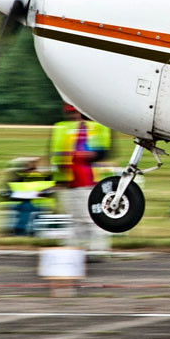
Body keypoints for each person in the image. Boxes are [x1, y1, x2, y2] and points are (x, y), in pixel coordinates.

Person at [49, 104, 112, 256]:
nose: (73, 117)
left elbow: (102, 152)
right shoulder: (62, 129)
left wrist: (89, 155)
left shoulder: (94, 128)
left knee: (90, 218)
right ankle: (75, 251)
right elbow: (56, 155)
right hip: (70, 181)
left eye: (75, 113)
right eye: (71, 113)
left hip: (88, 181)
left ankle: (97, 249)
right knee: (76, 220)